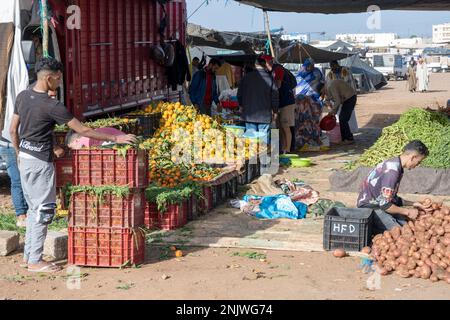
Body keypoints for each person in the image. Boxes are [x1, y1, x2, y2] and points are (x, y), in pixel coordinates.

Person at [10, 57, 136, 273]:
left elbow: (13, 130)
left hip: (25, 160)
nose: (59, 83)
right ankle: (34, 261)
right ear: (49, 78)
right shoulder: (52, 106)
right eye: (58, 79)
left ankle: (28, 256)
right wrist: (116, 139)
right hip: (40, 164)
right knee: (43, 210)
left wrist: (19, 154)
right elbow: (84, 130)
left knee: (33, 209)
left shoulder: (23, 96)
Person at [357, 140, 433, 233]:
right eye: (419, 161)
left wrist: (414, 203)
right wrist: (408, 212)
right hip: (369, 208)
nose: (418, 165)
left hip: (380, 204)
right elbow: (385, 205)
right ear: (413, 157)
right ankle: (372, 229)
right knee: (400, 232)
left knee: (406, 226)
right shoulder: (392, 172)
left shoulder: (396, 164)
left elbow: (391, 198)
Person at [237, 55, 279, 144]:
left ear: (255, 65)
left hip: (249, 114)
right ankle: (262, 158)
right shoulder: (270, 78)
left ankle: (253, 158)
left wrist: (241, 105)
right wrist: (275, 111)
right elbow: (275, 97)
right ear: (264, 65)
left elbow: (239, 94)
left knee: (251, 142)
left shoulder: (246, 78)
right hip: (264, 115)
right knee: (263, 142)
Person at [261, 55, 296, 154]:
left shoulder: (278, 69)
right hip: (281, 102)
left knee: (286, 126)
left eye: (263, 62)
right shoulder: (271, 71)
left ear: (267, 62)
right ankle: (284, 148)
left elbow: (278, 85)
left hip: (286, 102)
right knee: (281, 127)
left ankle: (288, 150)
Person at [323, 79, 357, 145]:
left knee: (343, 119)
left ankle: (349, 139)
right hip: (346, 99)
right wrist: (333, 112)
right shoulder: (328, 88)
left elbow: (337, 101)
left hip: (350, 98)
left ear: (323, 89)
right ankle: (344, 139)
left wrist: (332, 112)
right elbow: (336, 101)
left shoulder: (330, 86)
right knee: (342, 118)